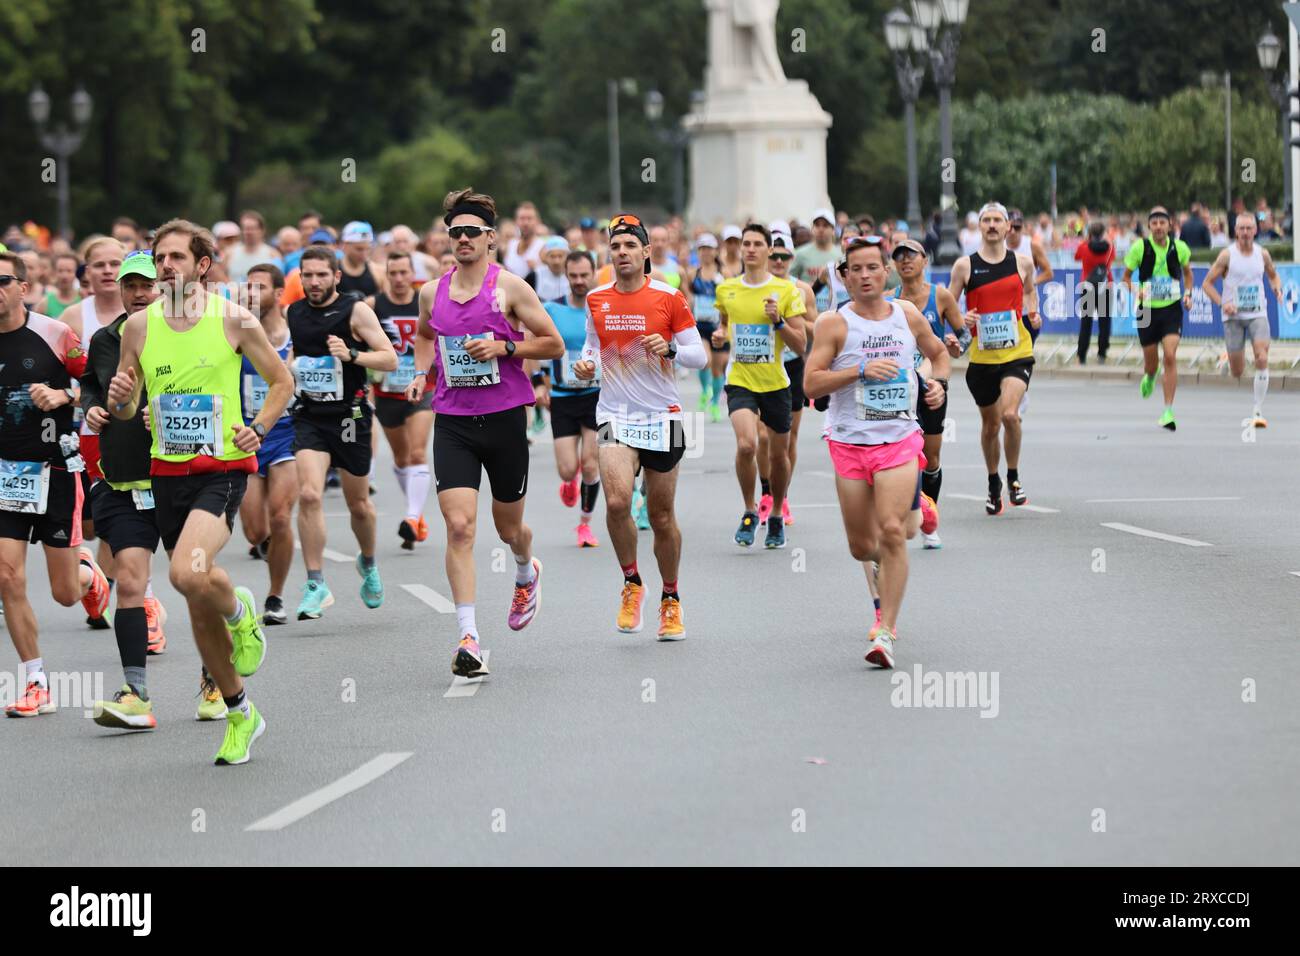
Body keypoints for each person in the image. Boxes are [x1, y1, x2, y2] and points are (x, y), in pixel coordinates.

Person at [107, 220, 294, 763]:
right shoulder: (138, 328)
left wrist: (257, 428)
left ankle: (240, 612)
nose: (166, 266)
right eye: (159, 257)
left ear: (201, 265)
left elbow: (282, 381)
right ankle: (240, 712)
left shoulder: (233, 319)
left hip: (224, 468)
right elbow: (126, 404)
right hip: (167, 473)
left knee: (186, 573)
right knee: (194, 598)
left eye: (176, 257)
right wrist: (121, 398)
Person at [410, 188, 564, 677]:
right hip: (453, 420)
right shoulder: (432, 292)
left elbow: (553, 345)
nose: (462, 239)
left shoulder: (511, 289)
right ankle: (469, 636)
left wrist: (503, 347)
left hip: (503, 419)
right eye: (454, 233)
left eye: (471, 232)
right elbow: (424, 334)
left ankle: (525, 568)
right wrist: (421, 372)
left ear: (491, 239)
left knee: (507, 528)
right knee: (459, 527)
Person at [802, 236, 950, 668]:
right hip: (849, 441)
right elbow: (811, 385)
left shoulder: (905, 315)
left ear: (886, 273)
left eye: (872, 268)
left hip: (899, 439)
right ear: (844, 276)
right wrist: (858, 370)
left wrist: (935, 383)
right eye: (856, 269)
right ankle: (914, 511)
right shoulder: (834, 323)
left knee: (889, 532)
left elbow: (938, 355)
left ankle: (886, 631)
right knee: (862, 545)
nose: (865, 276)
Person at [570, 214, 706, 639]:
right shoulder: (597, 299)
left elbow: (697, 355)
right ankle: (632, 583)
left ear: (647, 252)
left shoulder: (669, 297)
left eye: (630, 246)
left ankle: (671, 597)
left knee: (663, 516)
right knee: (616, 503)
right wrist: (586, 363)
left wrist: (669, 348)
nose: (623, 253)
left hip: (662, 416)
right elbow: (592, 345)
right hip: (615, 415)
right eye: (616, 247)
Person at [0, 251, 111, 717]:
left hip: (57, 472)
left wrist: (65, 394)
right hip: (6, 476)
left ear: (23, 288)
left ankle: (90, 576)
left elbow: (99, 381)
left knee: (65, 593)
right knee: (7, 573)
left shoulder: (53, 333)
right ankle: (35, 681)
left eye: (2, 280)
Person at [82, 252, 170, 728]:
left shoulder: (182, 331)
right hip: (124, 479)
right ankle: (136, 693)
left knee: (196, 584)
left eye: (148, 284)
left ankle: (215, 680)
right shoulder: (105, 339)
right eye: (130, 284)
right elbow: (95, 387)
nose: (139, 293)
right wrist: (94, 407)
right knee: (131, 584)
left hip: (183, 477)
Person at [287, 245, 397, 619]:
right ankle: (316, 583)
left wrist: (352, 355)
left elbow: (389, 358)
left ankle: (367, 562)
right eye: (307, 275)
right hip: (310, 416)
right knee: (309, 494)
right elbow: (294, 359)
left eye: (321, 275)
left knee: (359, 505)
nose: (314, 282)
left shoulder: (355, 310)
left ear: (336, 277)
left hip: (350, 417)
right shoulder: (295, 313)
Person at [712, 223, 807, 549]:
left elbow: (801, 343)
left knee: (779, 456)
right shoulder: (726, 289)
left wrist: (777, 321)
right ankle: (750, 510)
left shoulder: (787, 291)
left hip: (777, 383)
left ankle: (777, 511)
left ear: (769, 250)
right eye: (746, 244)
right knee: (747, 446)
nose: (750, 249)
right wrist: (721, 334)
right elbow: (725, 323)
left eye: (757, 244)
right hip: (740, 380)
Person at [946, 202, 1041, 514]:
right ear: (980, 227)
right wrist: (964, 319)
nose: (990, 225)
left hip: (1017, 352)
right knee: (990, 425)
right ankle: (992, 481)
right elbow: (950, 305)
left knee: (1010, 415)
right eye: (985, 220)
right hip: (983, 359)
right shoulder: (964, 266)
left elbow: (1029, 291)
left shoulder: (1023, 262)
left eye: (997, 220)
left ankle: (1013, 477)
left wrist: (1032, 311)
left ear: (1007, 227)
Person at [62, 236, 127, 628]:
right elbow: (62, 378)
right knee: (89, 524)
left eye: (114, 263)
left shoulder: (143, 313)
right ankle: (94, 575)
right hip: (88, 431)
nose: (107, 271)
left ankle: (111, 587)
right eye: (99, 264)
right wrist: (76, 399)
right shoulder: (73, 318)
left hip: (134, 433)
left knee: (116, 514)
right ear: (86, 272)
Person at [890, 237, 964, 548]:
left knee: (931, 457)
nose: (905, 261)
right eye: (899, 257)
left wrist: (957, 345)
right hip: (900, 390)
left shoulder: (942, 296)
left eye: (912, 255)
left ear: (925, 261)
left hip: (933, 387)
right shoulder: (888, 302)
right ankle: (907, 517)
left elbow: (962, 334)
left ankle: (928, 520)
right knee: (903, 457)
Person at [236, 264, 299, 624]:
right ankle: (266, 547)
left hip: (286, 434)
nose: (249, 294)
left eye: (258, 287)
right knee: (255, 529)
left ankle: (275, 596)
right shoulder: (237, 332)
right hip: (246, 435)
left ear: (278, 294)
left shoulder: (296, 333)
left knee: (280, 516)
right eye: (246, 287)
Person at [368, 251, 433, 548]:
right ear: (386, 275)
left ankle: (411, 516)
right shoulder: (373, 305)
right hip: (388, 392)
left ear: (412, 273)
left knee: (418, 453)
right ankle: (416, 514)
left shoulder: (425, 301)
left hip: (422, 387)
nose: (397, 278)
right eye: (392, 273)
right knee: (401, 458)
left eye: (403, 272)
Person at [539, 251, 603, 547]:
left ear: (594, 273)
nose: (579, 281)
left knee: (592, 464)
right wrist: (538, 383)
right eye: (573, 276)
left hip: (599, 396)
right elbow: (539, 346)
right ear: (566, 276)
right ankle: (570, 480)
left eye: (584, 275)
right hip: (562, 397)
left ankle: (584, 525)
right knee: (567, 469)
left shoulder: (605, 307)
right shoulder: (551, 309)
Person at [1202, 214, 1281, 428]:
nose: (1245, 232)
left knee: (1261, 358)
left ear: (1255, 230)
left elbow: (1273, 275)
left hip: (1257, 313)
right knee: (1238, 372)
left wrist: (1277, 289)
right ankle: (1227, 358)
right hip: (1233, 316)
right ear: (1235, 231)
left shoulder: (1262, 254)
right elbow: (1207, 284)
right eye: (1241, 229)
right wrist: (1222, 303)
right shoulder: (1227, 256)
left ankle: (1258, 410)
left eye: (1249, 228)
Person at [760, 230, 817, 526]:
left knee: (788, 437)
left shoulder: (802, 289)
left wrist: (791, 319)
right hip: (760, 366)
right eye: (774, 255)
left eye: (784, 256)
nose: (779, 260)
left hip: (792, 366)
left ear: (792, 258)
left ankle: (783, 497)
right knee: (760, 436)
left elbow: (814, 327)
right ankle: (766, 493)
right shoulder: (754, 286)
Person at [1121, 207, 1193, 431]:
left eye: (1163, 223)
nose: (1159, 227)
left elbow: (1188, 273)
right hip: (1147, 311)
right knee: (1151, 364)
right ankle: (1150, 377)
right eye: (1154, 223)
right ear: (1150, 227)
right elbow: (1125, 278)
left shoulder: (1179, 247)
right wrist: (1135, 290)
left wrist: (1188, 294)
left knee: (1170, 356)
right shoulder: (1139, 247)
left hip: (1171, 309)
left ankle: (1168, 411)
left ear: (1170, 225)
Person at [688, 234, 726, 421]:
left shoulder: (723, 275)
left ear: (715, 251)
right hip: (699, 325)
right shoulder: (693, 273)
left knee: (718, 369)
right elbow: (686, 296)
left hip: (717, 325)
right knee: (705, 361)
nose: (706, 252)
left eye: (709, 249)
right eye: (702, 249)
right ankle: (705, 390)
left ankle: (715, 402)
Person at [1074, 221, 1115, 365]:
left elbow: (1076, 256)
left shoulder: (1084, 247)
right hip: (1105, 285)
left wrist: (1086, 239)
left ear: (1090, 233)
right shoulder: (1109, 248)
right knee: (1105, 322)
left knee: (1086, 323)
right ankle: (1102, 354)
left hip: (1088, 285)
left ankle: (1082, 355)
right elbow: (1112, 257)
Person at [792, 207, 843, 316]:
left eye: (825, 226)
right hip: (807, 311)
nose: (821, 229)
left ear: (833, 230)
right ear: (812, 228)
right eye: (817, 225)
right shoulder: (800, 253)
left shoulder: (840, 255)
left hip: (834, 312)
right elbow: (789, 280)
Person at [224, 210, 283, 281]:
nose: (249, 232)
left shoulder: (273, 255)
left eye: (252, 228)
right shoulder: (229, 253)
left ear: (262, 230)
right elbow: (222, 280)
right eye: (246, 228)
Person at [338, 221, 384, 298]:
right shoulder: (334, 270)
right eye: (359, 249)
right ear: (345, 246)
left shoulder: (378, 272)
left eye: (367, 249)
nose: (364, 254)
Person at [503, 202, 545, 278]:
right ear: (516, 221)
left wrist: (538, 269)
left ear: (537, 222)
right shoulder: (511, 244)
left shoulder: (543, 247)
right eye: (522, 218)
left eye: (529, 218)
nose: (525, 223)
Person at [530, 236, 571, 302]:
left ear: (567, 257)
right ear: (546, 257)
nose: (556, 261)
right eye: (552, 256)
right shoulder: (535, 275)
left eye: (560, 256)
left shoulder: (575, 275)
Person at [44, 252, 81, 320]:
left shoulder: (84, 298)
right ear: (54, 272)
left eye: (69, 271)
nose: (64, 276)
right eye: (60, 271)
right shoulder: (45, 302)